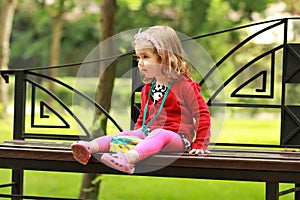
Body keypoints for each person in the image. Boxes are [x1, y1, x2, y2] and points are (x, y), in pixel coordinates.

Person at [71, 25, 211, 174]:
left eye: (145, 57)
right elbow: (143, 119)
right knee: (123, 135)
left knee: (160, 134)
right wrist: (134, 136)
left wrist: (200, 144)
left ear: (164, 57)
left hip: (178, 139)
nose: (140, 62)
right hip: (149, 133)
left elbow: (202, 114)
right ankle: (89, 148)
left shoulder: (184, 86)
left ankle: (128, 160)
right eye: (138, 57)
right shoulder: (147, 89)